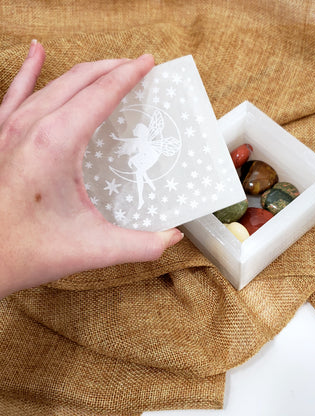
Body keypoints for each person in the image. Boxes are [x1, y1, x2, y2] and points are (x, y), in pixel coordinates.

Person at [0, 40, 184, 299]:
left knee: (141, 175)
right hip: (138, 161)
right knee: (140, 176)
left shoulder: (149, 140)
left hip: (143, 158)